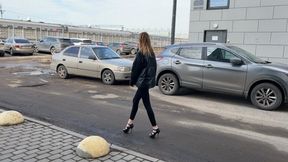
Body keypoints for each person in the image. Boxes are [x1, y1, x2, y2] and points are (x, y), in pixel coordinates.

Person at [123, 32, 160, 138]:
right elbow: (153, 69)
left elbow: (136, 69)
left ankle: (153, 127)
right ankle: (131, 124)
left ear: (141, 40)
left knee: (138, 102)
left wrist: (132, 81)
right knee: (143, 103)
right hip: (147, 82)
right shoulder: (151, 52)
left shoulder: (141, 53)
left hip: (143, 82)